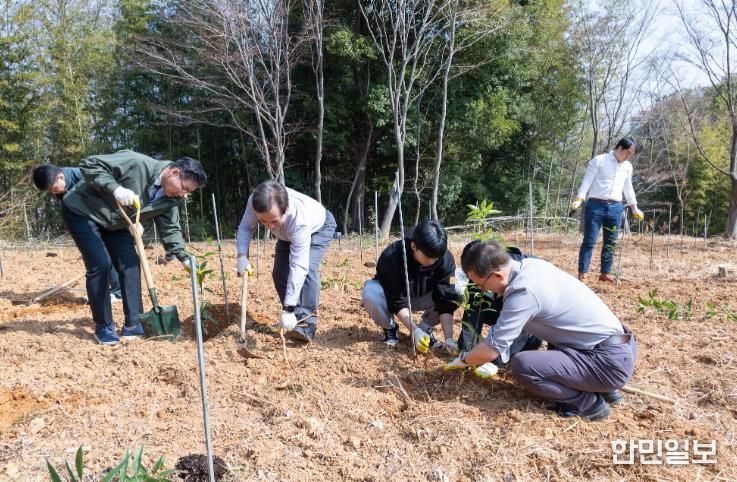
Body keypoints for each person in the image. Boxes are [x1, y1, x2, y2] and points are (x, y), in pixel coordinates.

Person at [444, 240, 637, 421]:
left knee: (523, 366)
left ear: (497, 276)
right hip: (618, 347)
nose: (482, 290)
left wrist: (463, 360)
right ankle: (603, 389)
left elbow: (492, 349)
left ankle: (587, 404)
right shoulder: (532, 266)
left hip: (607, 362)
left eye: (481, 285)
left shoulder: (523, 291)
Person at [62, 150, 207, 345]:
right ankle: (104, 325)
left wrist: (184, 257)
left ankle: (133, 323)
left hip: (118, 222)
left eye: (188, 192)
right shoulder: (136, 163)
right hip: (83, 211)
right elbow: (89, 164)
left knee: (130, 263)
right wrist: (115, 189)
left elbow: (170, 228)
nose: (183, 194)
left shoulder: (172, 199)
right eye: (184, 187)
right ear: (174, 172)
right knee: (101, 264)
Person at [236, 181, 336, 343]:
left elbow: (299, 266)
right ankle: (292, 317)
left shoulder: (299, 220)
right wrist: (241, 256)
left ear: (286, 209)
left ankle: (305, 324)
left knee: (308, 270)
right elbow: (246, 227)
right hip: (286, 234)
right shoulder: (255, 201)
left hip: (319, 228)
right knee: (280, 274)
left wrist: (288, 307)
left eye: (274, 221)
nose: (270, 227)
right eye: (263, 221)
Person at [361, 219, 458, 354]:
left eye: (436, 258)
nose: (433, 262)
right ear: (413, 246)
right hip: (394, 298)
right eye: (428, 257)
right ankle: (390, 328)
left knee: (457, 291)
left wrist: (449, 338)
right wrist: (414, 331)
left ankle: (424, 329)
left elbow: (446, 299)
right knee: (371, 292)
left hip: (425, 297)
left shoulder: (445, 259)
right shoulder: (391, 257)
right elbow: (397, 301)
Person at [33, 164, 123, 303]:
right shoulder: (62, 188)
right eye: (49, 190)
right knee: (91, 256)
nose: (53, 193)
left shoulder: (85, 176)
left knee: (105, 256)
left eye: (53, 188)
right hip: (85, 221)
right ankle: (100, 293)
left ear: (60, 177)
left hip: (105, 218)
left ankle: (117, 292)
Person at [455, 240, 543, 375]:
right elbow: (472, 313)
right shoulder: (481, 276)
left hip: (536, 322)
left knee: (522, 359)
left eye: (477, 281)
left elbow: (519, 322)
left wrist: (496, 361)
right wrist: (467, 352)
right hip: (500, 311)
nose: (477, 286)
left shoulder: (523, 280)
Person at [571, 137, 644, 282]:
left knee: (610, 242)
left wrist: (634, 208)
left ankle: (605, 273)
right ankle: (583, 272)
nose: (628, 157)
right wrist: (580, 198)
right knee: (589, 240)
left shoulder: (627, 167)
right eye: (628, 153)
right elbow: (587, 180)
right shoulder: (599, 160)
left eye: (631, 155)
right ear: (620, 148)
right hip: (595, 205)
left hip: (616, 208)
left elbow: (628, 188)